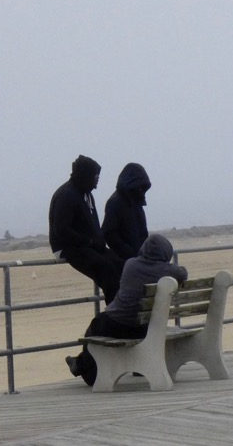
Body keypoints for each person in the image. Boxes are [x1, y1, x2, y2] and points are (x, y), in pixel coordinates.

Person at [66, 233, 188, 386]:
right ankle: (80, 364)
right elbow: (183, 273)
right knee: (99, 325)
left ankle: (83, 368)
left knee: (95, 326)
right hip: (144, 329)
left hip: (116, 324)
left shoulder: (131, 264)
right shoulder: (168, 271)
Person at [48, 155, 124, 304]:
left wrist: (98, 241)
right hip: (68, 247)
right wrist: (89, 241)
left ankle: (124, 308)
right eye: (95, 176)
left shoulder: (87, 194)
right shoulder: (66, 195)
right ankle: (115, 311)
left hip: (89, 246)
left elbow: (93, 226)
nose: (98, 179)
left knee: (122, 266)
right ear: (85, 175)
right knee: (106, 269)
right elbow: (61, 230)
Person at [102, 163, 152, 261]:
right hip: (124, 259)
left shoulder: (136, 201)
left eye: (142, 187)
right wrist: (128, 252)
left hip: (139, 257)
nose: (141, 189)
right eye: (139, 185)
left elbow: (143, 232)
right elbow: (109, 233)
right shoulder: (115, 202)